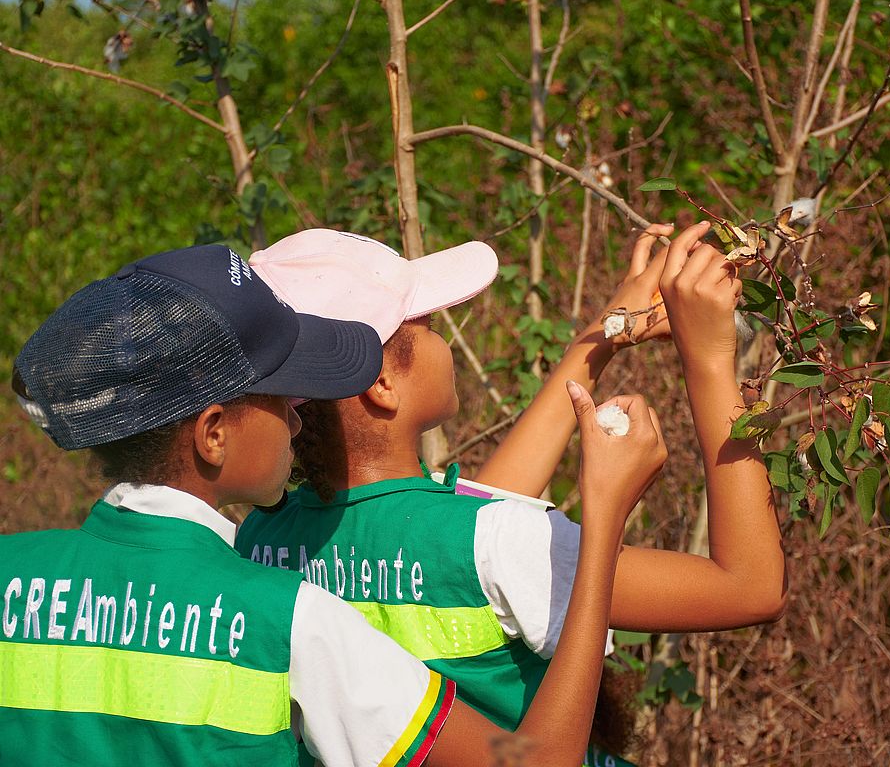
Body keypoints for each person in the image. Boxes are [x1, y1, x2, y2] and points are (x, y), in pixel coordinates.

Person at [1, 243, 667, 767]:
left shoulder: (12, 577)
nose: (300, 414)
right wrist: (602, 514)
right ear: (212, 434)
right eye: (282, 394)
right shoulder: (288, 618)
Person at [236, 222, 787, 753]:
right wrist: (710, 362)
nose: (443, 333)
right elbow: (752, 586)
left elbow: (470, 541)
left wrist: (605, 335)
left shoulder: (262, 538)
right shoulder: (491, 544)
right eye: (426, 324)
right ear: (382, 383)